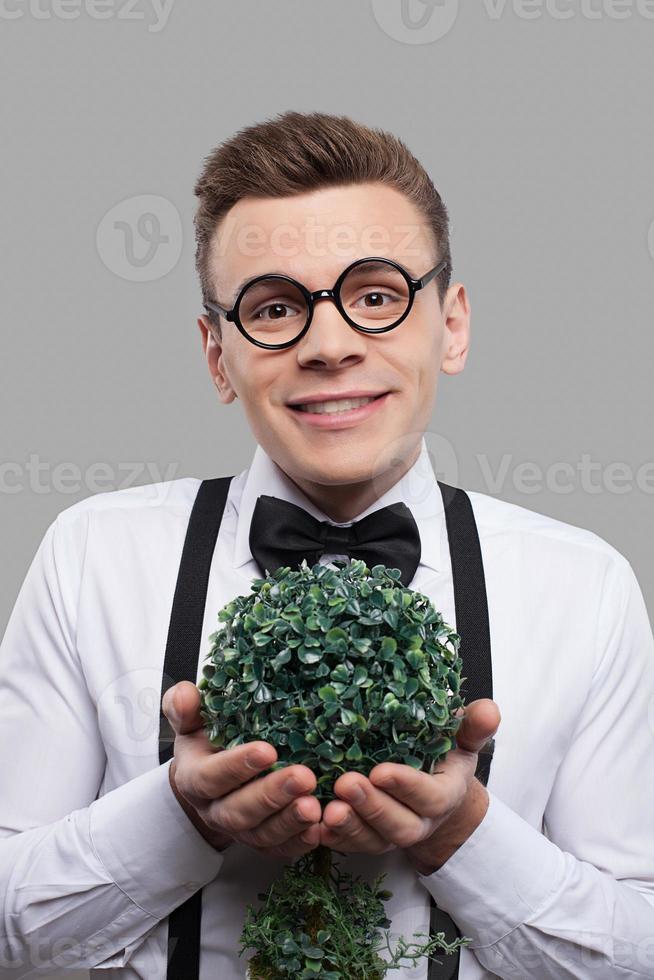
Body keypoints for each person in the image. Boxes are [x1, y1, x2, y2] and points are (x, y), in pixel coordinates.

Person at [1, 110, 652, 980]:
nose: (330, 345)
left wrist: (462, 834)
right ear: (216, 355)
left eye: (376, 296)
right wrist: (181, 817)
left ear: (451, 325)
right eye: (274, 308)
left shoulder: (585, 586)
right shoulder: (93, 555)